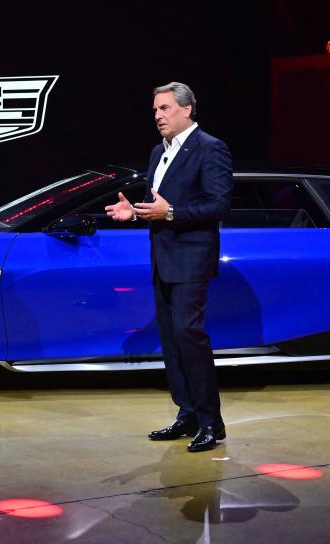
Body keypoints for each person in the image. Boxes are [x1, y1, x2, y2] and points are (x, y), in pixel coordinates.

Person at [105, 82, 233, 452]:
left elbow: (218, 205)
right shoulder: (157, 153)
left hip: (192, 258)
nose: (158, 116)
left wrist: (172, 213)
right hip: (163, 258)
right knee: (172, 340)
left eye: (165, 109)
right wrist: (134, 213)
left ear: (187, 109)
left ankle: (212, 422)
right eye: (156, 110)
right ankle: (187, 413)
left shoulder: (210, 148)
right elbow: (154, 204)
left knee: (190, 337)